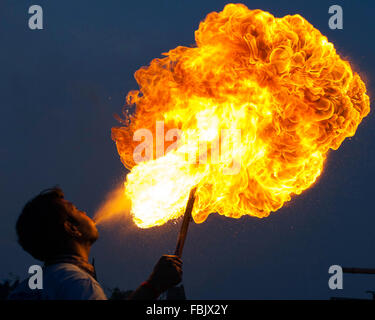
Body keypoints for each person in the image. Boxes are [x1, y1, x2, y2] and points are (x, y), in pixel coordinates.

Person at [8, 187, 182, 300]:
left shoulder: (30, 287)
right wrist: (154, 285)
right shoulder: (76, 282)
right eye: (76, 210)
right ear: (72, 228)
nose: (84, 211)